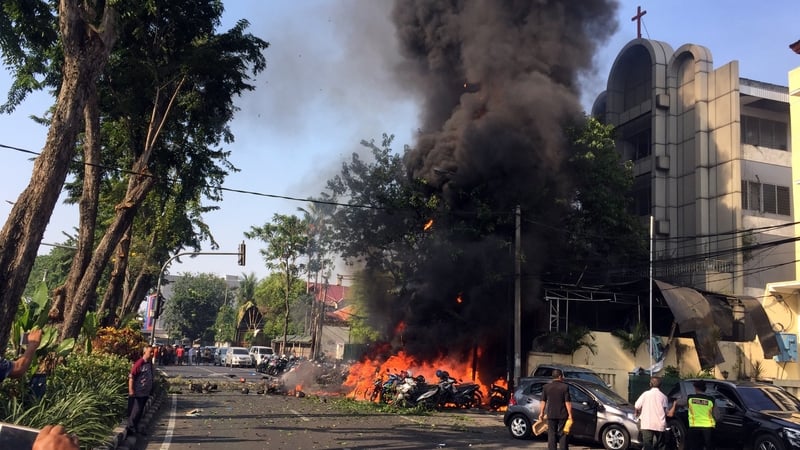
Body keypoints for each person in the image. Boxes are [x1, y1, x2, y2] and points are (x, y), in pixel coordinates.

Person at [635, 376, 674, 450]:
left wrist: (637, 412)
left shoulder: (645, 394)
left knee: (648, 445)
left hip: (647, 424)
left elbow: (637, 406)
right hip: (659, 425)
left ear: (650, 384)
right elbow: (667, 412)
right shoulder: (664, 397)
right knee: (660, 445)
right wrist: (675, 404)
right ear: (660, 385)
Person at [538, 369, 573, 450]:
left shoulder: (546, 387)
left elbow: (543, 401)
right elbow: (567, 402)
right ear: (560, 376)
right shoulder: (565, 387)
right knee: (563, 434)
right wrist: (570, 414)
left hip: (551, 414)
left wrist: (541, 413)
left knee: (551, 434)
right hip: (562, 414)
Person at [127, 345, 154, 436]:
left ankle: (135, 427)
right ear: (144, 352)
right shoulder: (139, 363)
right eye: (150, 352)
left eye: (153, 352)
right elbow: (131, 377)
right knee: (135, 411)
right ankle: (130, 429)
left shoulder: (149, 363)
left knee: (140, 412)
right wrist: (131, 390)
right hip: (138, 393)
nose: (152, 354)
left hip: (145, 393)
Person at [687, 380, 715, 450]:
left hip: (694, 427)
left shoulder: (690, 398)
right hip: (708, 428)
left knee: (694, 447)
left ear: (696, 388)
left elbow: (680, 402)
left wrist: (675, 403)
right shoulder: (711, 400)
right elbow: (718, 416)